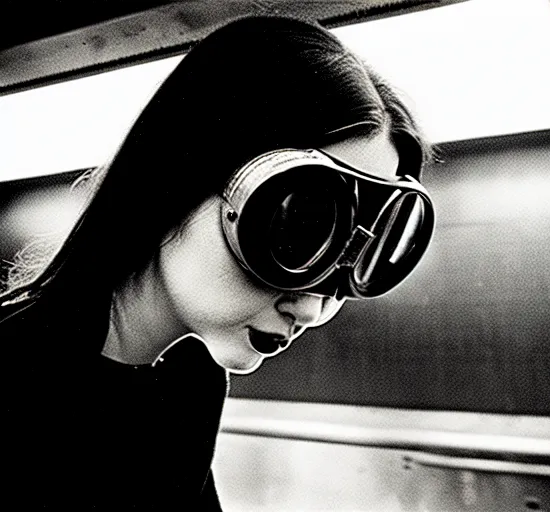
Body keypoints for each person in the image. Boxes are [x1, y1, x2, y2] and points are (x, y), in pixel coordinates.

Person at [0, 15, 434, 510]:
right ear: (178, 175)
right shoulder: (14, 383)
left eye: (349, 256)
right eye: (299, 231)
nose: (311, 310)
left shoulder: (191, 379)